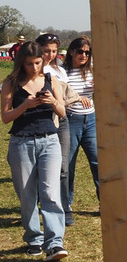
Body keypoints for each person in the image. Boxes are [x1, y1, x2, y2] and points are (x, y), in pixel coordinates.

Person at [2, 41, 68, 261]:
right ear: (21, 62)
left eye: (38, 63)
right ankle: (34, 238)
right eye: (29, 64)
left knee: (50, 193)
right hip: (21, 142)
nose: (34, 68)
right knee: (27, 194)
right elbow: (5, 117)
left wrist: (51, 103)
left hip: (49, 141)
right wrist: (25, 106)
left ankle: (55, 243)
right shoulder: (11, 83)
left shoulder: (52, 81)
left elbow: (63, 112)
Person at [36, 33, 77, 225]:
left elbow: (64, 96)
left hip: (62, 120)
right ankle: (42, 203)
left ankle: (64, 207)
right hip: (42, 121)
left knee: (63, 167)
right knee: (41, 168)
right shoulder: (33, 68)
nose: (50, 55)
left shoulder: (60, 70)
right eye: (46, 51)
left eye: (54, 51)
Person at [63, 35, 99, 213]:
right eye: (80, 51)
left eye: (87, 52)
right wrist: (75, 99)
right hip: (71, 120)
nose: (83, 55)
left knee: (98, 161)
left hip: (90, 120)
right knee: (68, 164)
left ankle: (105, 203)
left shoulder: (92, 71)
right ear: (71, 52)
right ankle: (66, 204)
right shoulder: (63, 72)